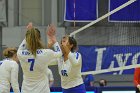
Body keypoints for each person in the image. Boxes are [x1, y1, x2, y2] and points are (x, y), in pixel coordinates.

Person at [17, 23, 62, 93]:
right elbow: (59, 53)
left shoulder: (20, 53)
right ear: (40, 39)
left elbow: (21, 47)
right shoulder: (46, 53)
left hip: (26, 90)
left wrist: (28, 34)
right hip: (42, 90)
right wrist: (53, 39)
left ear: (27, 39)